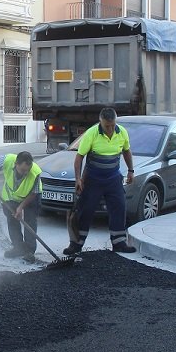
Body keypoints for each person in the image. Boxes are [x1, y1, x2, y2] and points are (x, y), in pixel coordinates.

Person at [65, 108, 136, 255]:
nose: (110, 129)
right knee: (85, 210)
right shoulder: (91, 133)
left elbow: (126, 151)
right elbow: (79, 157)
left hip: (113, 178)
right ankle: (76, 244)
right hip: (93, 179)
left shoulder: (122, 132)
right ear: (100, 122)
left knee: (119, 207)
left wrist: (131, 170)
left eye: (112, 125)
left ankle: (119, 243)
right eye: (106, 126)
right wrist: (78, 179)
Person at [0, 150, 42, 263]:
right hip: (11, 197)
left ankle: (29, 251)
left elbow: (33, 193)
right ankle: (18, 248)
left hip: (31, 197)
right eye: (22, 170)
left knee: (30, 221)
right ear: (16, 164)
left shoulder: (35, 172)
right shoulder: (6, 160)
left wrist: (20, 207)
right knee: (12, 220)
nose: (25, 173)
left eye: (27, 170)